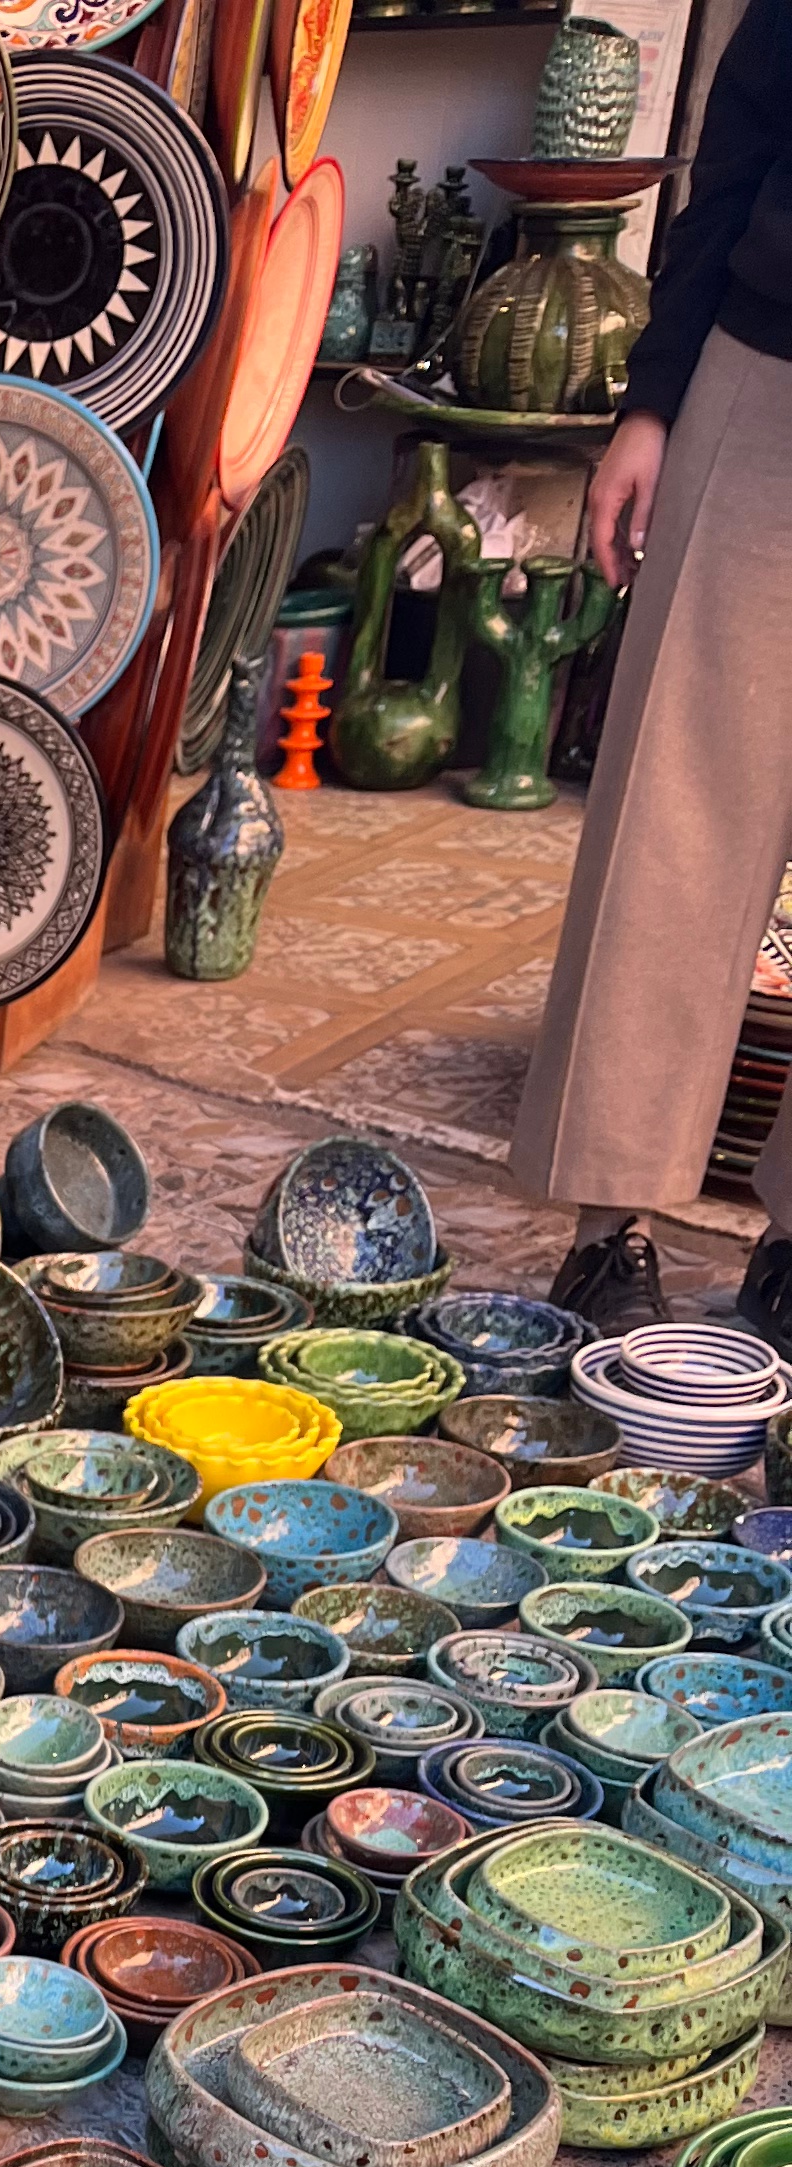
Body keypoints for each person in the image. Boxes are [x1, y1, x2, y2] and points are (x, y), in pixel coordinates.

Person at [509, 0, 792, 1338]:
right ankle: (607, 1227)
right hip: (770, 372)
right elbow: (734, 155)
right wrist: (657, 402)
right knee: (678, 809)